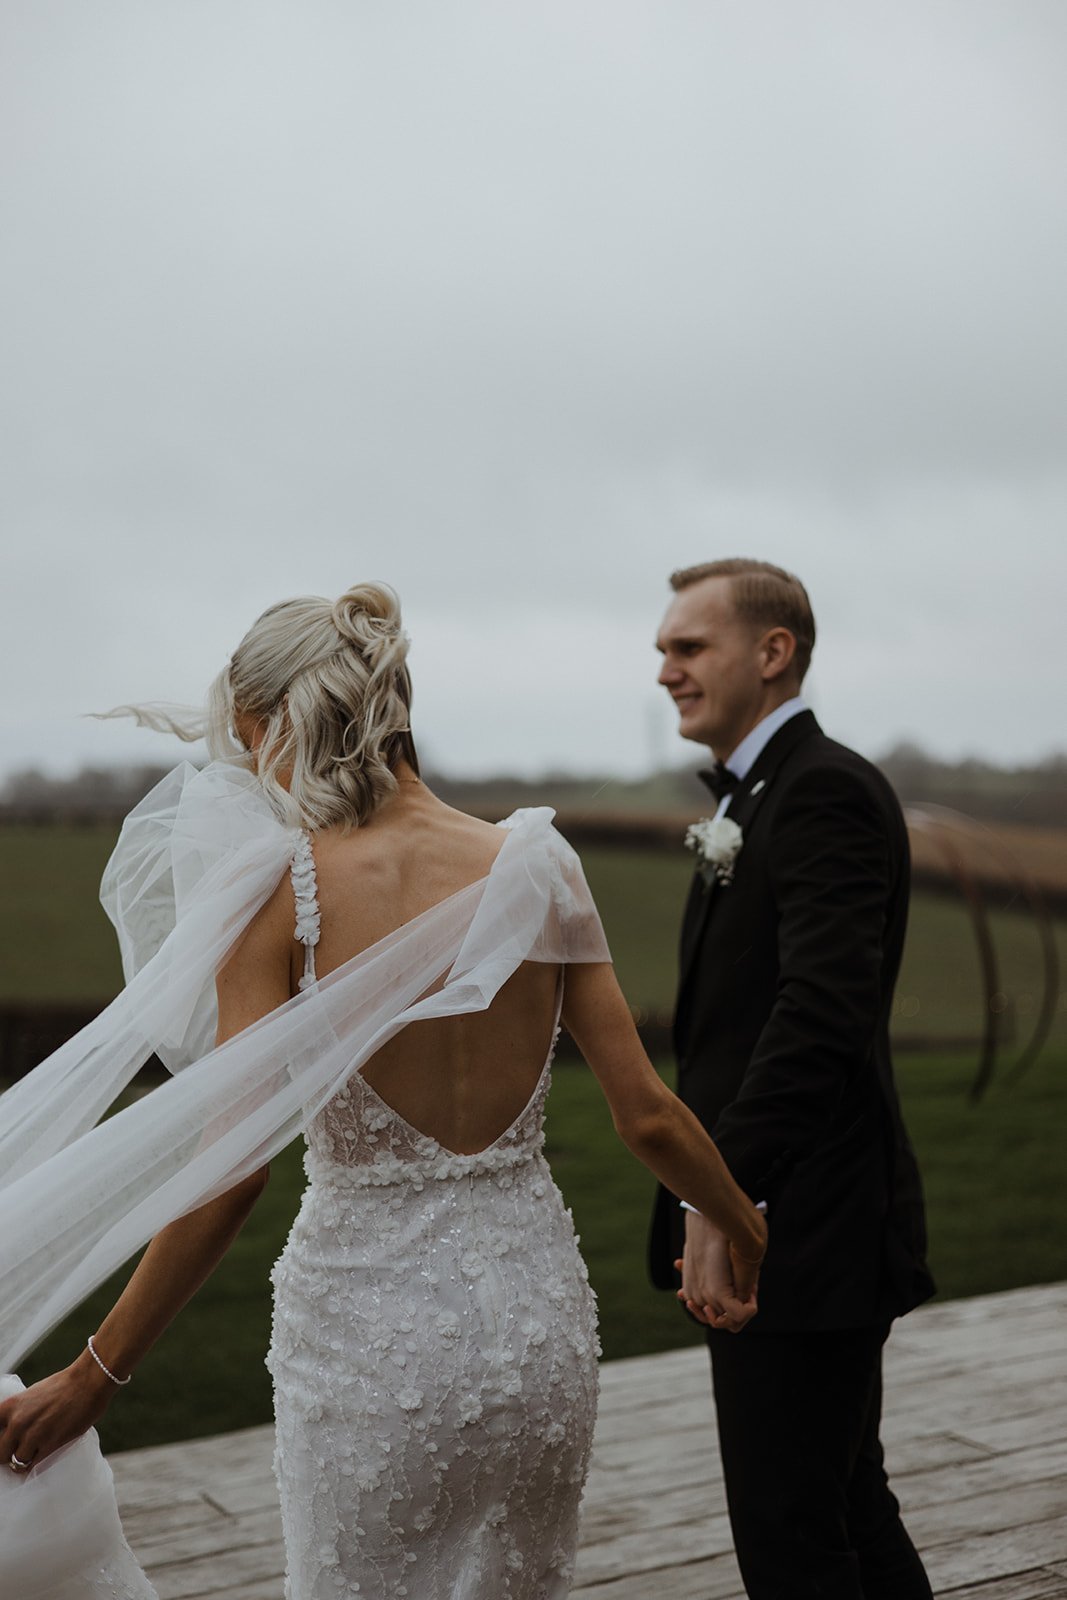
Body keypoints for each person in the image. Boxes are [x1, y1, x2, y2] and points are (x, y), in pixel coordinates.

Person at [0, 581, 767, 1600]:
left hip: (368, 1340)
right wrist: (740, 1226)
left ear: (268, 721)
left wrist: (94, 1374)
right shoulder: (538, 862)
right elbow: (649, 1117)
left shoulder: (279, 889)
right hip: (534, 1326)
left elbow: (230, 1172)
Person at [650, 558, 936, 1600]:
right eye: (662, 652)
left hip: (801, 1227)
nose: (665, 671)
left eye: (688, 647)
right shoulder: (769, 792)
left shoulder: (819, 792)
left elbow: (819, 1016)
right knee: (844, 1507)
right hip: (799, 1223)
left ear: (771, 653)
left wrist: (724, 1198)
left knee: (792, 1540)